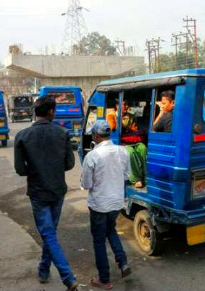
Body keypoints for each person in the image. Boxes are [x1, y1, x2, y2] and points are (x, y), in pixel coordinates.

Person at [14, 97, 79, 291]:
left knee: (48, 234)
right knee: (49, 233)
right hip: (57, 191)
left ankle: (66, 277)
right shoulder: (63, 133)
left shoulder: (22, 136)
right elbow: (69, 164)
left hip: (38, 192)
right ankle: (45, 270)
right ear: (51, 112)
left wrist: (36, 170)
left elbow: (20, 169)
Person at [81, 120, 132, 289]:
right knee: (111, 230)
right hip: (117, 202)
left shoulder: (92, 156)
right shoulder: (123, 151)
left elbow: (87, 184)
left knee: (99, 241)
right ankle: (123, 262)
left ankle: (104, 279)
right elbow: (126, 176)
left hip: (99, 204)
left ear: (96, 135)